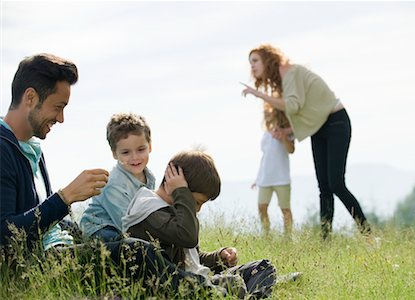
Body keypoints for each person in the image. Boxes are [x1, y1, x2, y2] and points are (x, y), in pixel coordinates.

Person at [0, 54, 220, 297]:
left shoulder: (32, 149)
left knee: (134, 252)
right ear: (30, 97)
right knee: (136, 252)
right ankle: (210, 292)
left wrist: (70, 225)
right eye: (58, 107)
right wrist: (64, 198)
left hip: (61, 246)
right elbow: (5, 235)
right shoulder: (2, 150)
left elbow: (41, 219)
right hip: (40, 264)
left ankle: (206, 276)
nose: (61, 119)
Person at [241, 44, 371, 239]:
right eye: (250, 63)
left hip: (336, 123)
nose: (252, 66)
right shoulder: (283, 80)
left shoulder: (289, 71)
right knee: (324, 187)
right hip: (318, 128)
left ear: (268, 59)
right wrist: (286, 131)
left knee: (336, 184)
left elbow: (293, 106)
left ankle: (367, 233)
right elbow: (307, 111)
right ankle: (325, 240)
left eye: (255, 61)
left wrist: (259, 94)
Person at [122, 150, 278, 299]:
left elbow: (193, 260)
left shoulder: (177, 212)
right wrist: (182, 194)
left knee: (264, 267)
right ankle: (253, 292)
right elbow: (188, 238)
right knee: (234, 284)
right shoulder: (150, 211)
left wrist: (220, 257)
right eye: (196, 202)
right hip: (175, 286)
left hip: (198, 280)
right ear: (174, 187)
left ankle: (251, 293)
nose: (196, 209)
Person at [80, 112, 155, 242]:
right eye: (126, 152)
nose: (135, 157)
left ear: (150, 147)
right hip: (101, 228)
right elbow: (126, 224)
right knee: (122, 242)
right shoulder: (113, 184)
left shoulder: (149, 177)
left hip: (126, 226)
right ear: (115, 154)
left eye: (141, 149)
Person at [251, 102, 295, 235]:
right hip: (265, 178)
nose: (266, 115)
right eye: (265, 113)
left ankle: (288, 237)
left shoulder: (287, 131)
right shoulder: (265, 134)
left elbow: (291, 150)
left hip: (281, 178)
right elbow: (265, 157)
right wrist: (257, 178)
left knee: (285, 209)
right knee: (261, 207)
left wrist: (283, 138)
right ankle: (267, 234)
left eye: (269, 112)